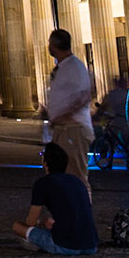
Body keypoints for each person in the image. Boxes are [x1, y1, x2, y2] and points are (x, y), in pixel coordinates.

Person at [11, 143, 99, 255]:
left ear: (45, 163)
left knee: (17, 226)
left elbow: (31, 222)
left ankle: (37, 244)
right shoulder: (77, 181)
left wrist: (38, 223)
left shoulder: (42, 183)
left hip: (65, 246)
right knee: (49, 222)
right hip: (91, 245)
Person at [38, 29, 93, 191]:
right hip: (62, 129)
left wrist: (63, 116)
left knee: (76, 176)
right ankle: (66, 213)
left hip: (73, 129)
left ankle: (83, 213)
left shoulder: (74, 66)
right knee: (60, 176)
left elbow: (85, 96)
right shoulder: (63, 67)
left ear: (54, 45)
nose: (48, 45)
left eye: (49, 42)